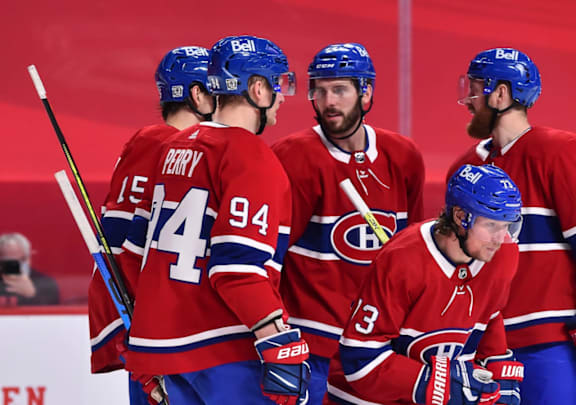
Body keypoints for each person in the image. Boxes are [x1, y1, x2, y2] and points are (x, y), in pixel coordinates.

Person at [118, 35, 309, 405]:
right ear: (256, 88)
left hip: (167, 351)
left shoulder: (174, 146)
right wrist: (277, 337)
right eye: (278, 84)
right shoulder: (250, 154)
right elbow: (237, 267)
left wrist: (144, 341)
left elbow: (139, 251)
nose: (283, 96)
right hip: (223, 349)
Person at [447, 48, 576, 404]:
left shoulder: (558, 152)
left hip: (550, 343)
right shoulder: (466, 167)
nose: (468, 101)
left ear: (500, 94)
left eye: (475, 89)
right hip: (482, 347)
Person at [271, 42, 426, 403]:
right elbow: (271, 256)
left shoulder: (403, 155)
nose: (328, 102)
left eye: (339, 89)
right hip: (313, 345)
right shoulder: (293, 156)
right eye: (319, 90)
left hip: (381, 350)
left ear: (366, 91)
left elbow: (417, 254)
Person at [326, 164, 525, 405]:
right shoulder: (401, 260)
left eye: (507, 226)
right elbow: (360, 358)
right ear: (460, 217)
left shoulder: (503, 254)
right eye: (491, 225)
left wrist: (496, 366)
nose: (499, 238)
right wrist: (436, 383)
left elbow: (489, 315)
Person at [86, 45, 214, 404]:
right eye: (216, 88)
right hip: (166, 330)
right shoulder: (170, 145)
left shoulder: (148, 143)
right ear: (197, 93)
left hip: (154, 326)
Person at [0, 232, 59, 306]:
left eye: (21, 260)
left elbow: (54, 314)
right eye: (8, 261)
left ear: (29, 258)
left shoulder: (46, 284)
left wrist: (32, 295)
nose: (13, 266)